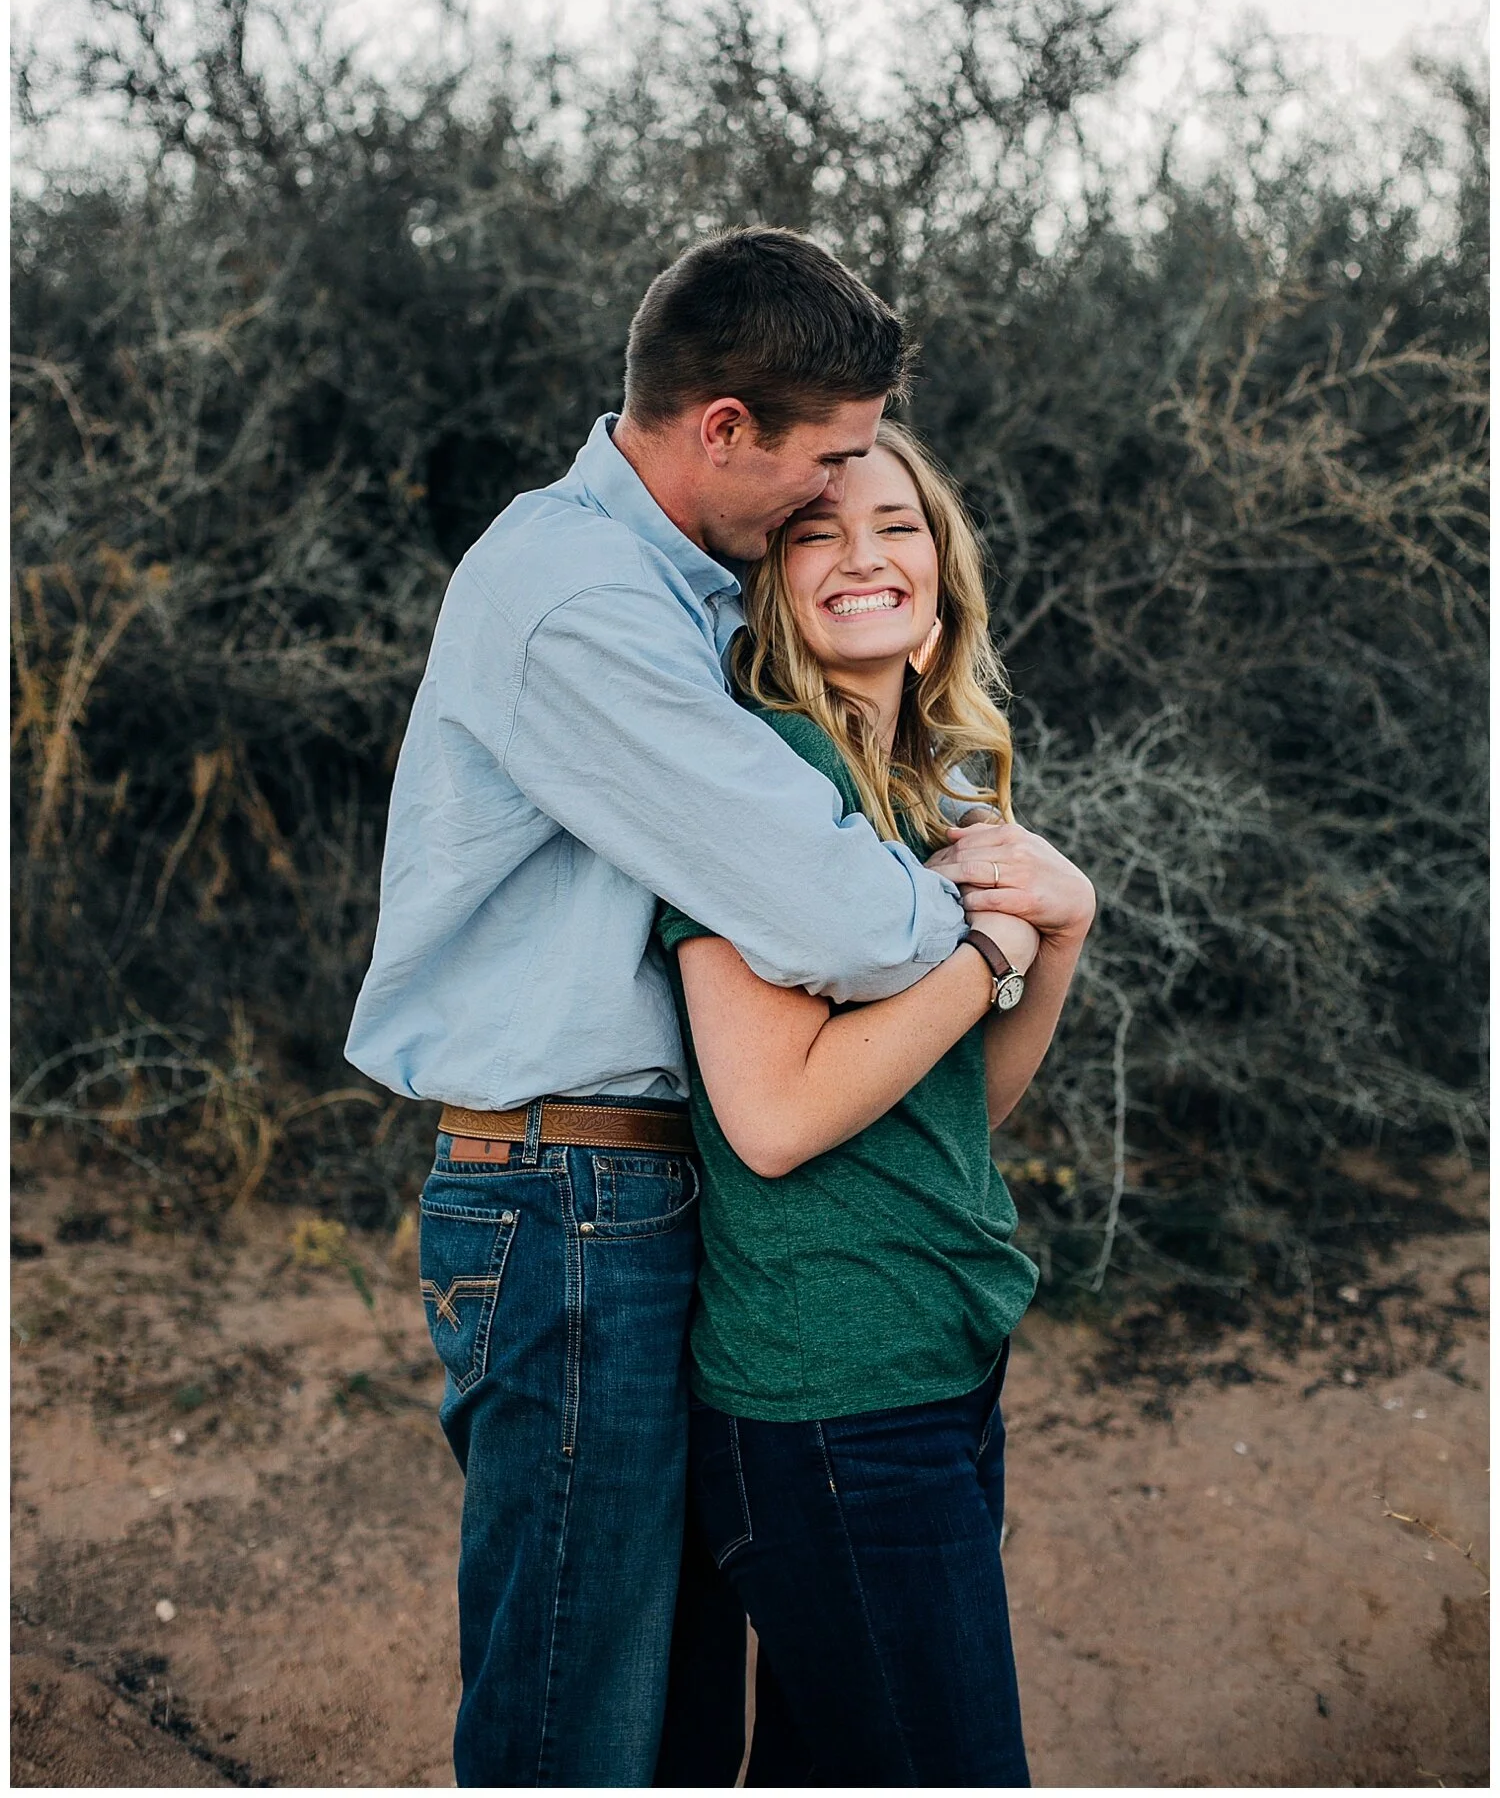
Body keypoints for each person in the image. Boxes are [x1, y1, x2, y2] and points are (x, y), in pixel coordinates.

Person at [342, 227, 1071, 1788]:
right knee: (576, 1714)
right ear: (723, 427)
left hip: (642, 1194)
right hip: (562, 1193)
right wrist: (992, 932)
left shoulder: (682, 594)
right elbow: (837, 920)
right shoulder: (578, 596)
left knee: (672, 1716)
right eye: (829, 465)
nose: (837, 501)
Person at [652, 420, 1095, 1788]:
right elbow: (774, 1117)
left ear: (942, 567)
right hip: (831, 1391)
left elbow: (967, 1105)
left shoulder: (934, 782)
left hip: (945, 1356)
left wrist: (1058, 938)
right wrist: (987, 957)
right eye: (814, 532)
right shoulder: (762, 777)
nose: (864, 556)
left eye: (897, 525)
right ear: (769, 580)